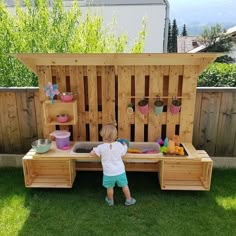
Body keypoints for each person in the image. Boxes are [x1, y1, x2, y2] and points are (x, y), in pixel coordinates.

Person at [90, 122, 136, 206]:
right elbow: (123, 152)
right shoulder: (119, 145)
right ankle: (129, 199)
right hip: (120, 172)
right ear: (115, 136)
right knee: (125, 186)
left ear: (103, 135)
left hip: (108, 173)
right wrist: (125, 145)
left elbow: (92, 153)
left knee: (109, 187)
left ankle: (110, 201)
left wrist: (92, 151)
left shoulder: (101, 147)